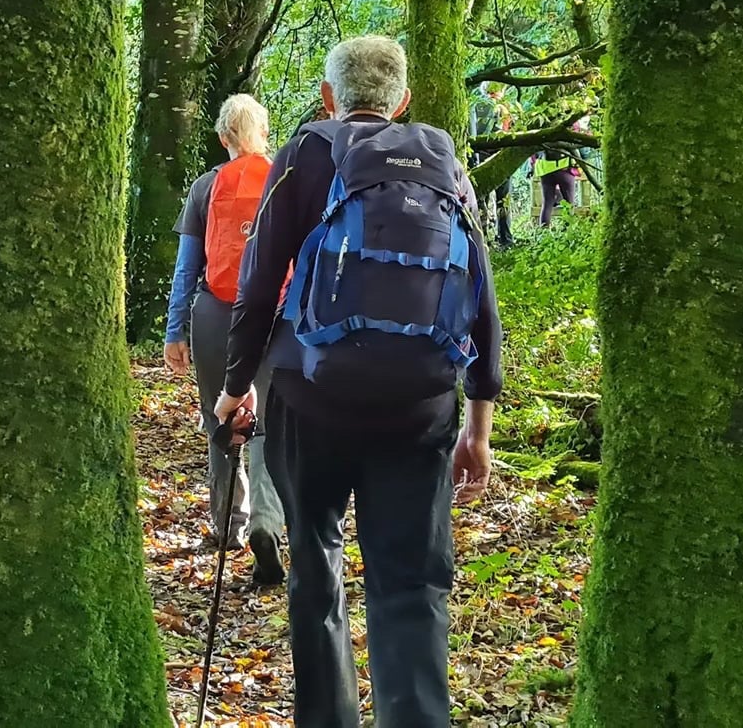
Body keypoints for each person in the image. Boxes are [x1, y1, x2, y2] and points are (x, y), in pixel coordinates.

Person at [216, 36, 503, 728]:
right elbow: (482, 298)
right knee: (411, 581)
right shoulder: (442, 164)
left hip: (311, 397)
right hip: (419, 404)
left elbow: (258, 288)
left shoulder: (306, 154)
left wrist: (234, 386)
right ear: (402, 102)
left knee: (316, 566)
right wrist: (478, 427)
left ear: (327, 98)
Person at [163, 94, 285, 585]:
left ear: (223, 138)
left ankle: (227, 522)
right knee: (268, 422)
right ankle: (267, 521)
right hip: (276, 315)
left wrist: (176, 329)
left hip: (216, 314)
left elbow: (187, 267)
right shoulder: (287, 179)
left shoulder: (205, 187)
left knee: (220, 415)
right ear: (265, 130)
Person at [469, 81, 515, 247]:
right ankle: (506, 239)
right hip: (502, 157)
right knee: (504, 200)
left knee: (482, 200)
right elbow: (511, 132)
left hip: (481, 156)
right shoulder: (506, 107)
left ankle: (483, 239)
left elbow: (472, 131)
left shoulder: (476, 106)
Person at [534, 143, 579, 227]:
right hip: (564, 167)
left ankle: (543, 232)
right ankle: (568, 231)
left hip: (546, 169)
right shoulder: (568, 131)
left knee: (547, 203)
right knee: (569, 203)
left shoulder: (541, 133)